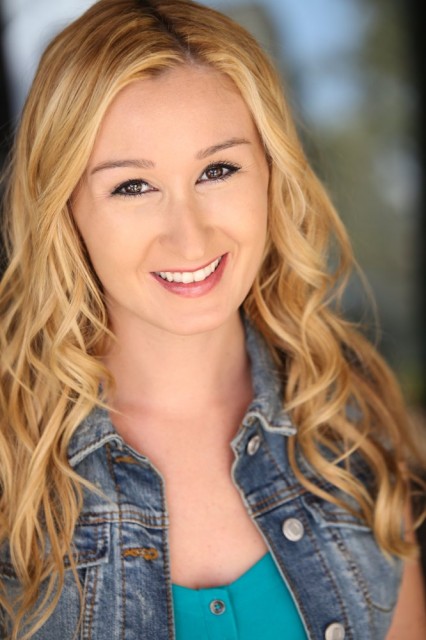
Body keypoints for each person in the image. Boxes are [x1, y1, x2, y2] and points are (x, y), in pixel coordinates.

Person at [0, 0, 425, 638]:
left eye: (218, 170)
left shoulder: (347, 417)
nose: (190, 237)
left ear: (271, 175)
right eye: (132, 186)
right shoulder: (13, 463)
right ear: (63, 207)